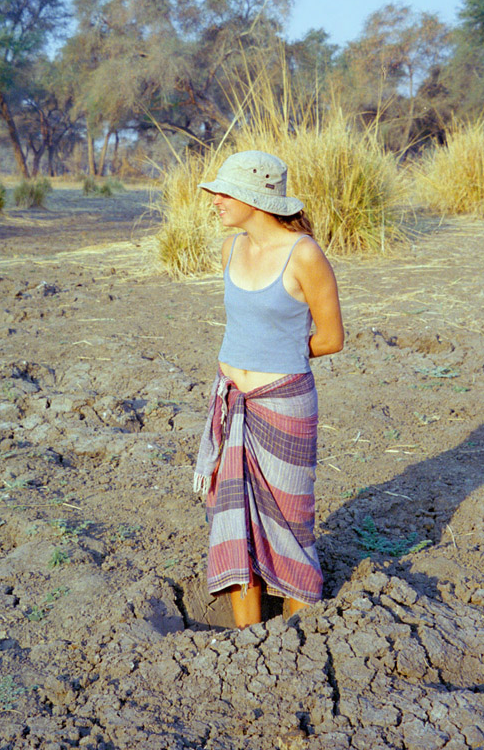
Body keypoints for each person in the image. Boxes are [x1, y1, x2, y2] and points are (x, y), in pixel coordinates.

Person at [194, 150, 344, 628]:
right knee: (230, 517)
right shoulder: (231, 249)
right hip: (230, 401)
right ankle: (247, 643)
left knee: (290, 523)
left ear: (254, 200)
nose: (214, 199)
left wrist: (276, 356)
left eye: (224, 192)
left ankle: (295, 642)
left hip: (283, 405)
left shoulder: (304, 254)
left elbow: (331, 338)